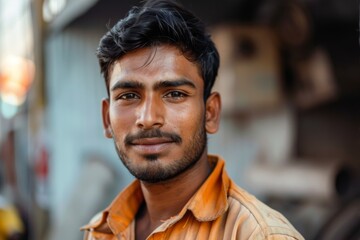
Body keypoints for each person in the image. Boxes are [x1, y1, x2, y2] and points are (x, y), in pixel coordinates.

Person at [82, 0, 304, 239]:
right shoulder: (103, 232)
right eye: (128, 96)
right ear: (107, 119)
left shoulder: (260, 235)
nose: (148, 118)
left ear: (210, 113)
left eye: (174, 94)